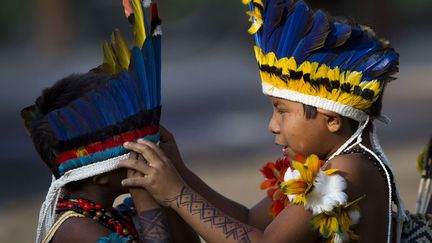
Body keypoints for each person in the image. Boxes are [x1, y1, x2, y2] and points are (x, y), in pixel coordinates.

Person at [118, 0, 408, 242]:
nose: (273, 124)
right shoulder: (321, 163)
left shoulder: (349, 168)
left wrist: (176, 194)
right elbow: (249, 220)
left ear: (331, 120)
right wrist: (178, 171)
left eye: (282, 111)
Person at [21, 1, 198, 242]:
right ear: (100, 175)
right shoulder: (75, 229)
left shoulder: (111, 216)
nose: (152, 154)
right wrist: (146, 202)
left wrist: (168, 191)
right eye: (141, 150)